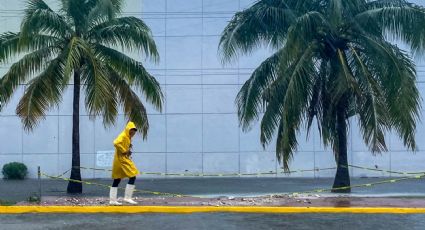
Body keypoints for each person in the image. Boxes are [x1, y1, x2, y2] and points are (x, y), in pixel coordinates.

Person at [109, 121, 140, 205]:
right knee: (133, 175)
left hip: (121, 160)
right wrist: (124, 151)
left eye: (134, 131)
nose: (133, 132)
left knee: (117, 179)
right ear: (128, 130)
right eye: (132, 130)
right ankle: (127, 198)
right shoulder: (123, 135)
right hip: (122, 160)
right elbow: (115, 142)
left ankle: (112, 200)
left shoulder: (128, 137)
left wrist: (128, 150)